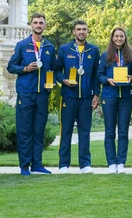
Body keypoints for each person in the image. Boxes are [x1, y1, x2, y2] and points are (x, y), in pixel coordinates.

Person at [6, 13, 56, 175]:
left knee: (39, 130)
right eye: (36, 22)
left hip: (43, 94)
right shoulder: (22, 45)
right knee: (25, 130)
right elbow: (11, 66)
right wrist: (25, 69)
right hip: (26, 93)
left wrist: (52, 82)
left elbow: (53, 70)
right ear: (31, 25)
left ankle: (37, 164)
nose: (38, 25)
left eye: (41, 22)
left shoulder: (49, 47)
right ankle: (24, 166)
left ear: (45, 25)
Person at [54, 20, 100, 174]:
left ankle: (85, 164)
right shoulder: (64, 49)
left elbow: (95, 75)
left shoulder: (93, 50)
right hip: (68, 96)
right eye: (79, 29)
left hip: (86, 96)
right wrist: (63, 80)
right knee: (66, 130)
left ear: (87, 32)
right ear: (73, 31)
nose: (81, 32)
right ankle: (63, 165)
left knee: (85, 131)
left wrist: (96, 94)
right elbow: (56, 70)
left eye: (84, 29)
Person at [97, 27, 132, 174]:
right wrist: (107, 80)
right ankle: (111, 163)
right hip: (109, 96)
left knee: (123, 132)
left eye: (121, 36)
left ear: (125, 38)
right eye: (116, 36)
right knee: (109, 131)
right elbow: (99, 75)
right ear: (112, 38)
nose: (119, 38)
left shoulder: (131, 56)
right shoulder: (105, 55)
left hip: (125, 97)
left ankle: (121, 162)